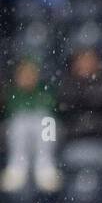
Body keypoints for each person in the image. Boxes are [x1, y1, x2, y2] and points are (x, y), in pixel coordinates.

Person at [2, 59, 60, 193]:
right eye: (24, 74)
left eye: (31, 74)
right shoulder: (12, 93)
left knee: (47, 121)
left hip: (45, 133)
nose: (27, 78)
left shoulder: (45, 90)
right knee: (19, 123)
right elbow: (10, 111)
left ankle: (45, 166)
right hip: (18, 133)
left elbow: (51, 108)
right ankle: (17, 167)